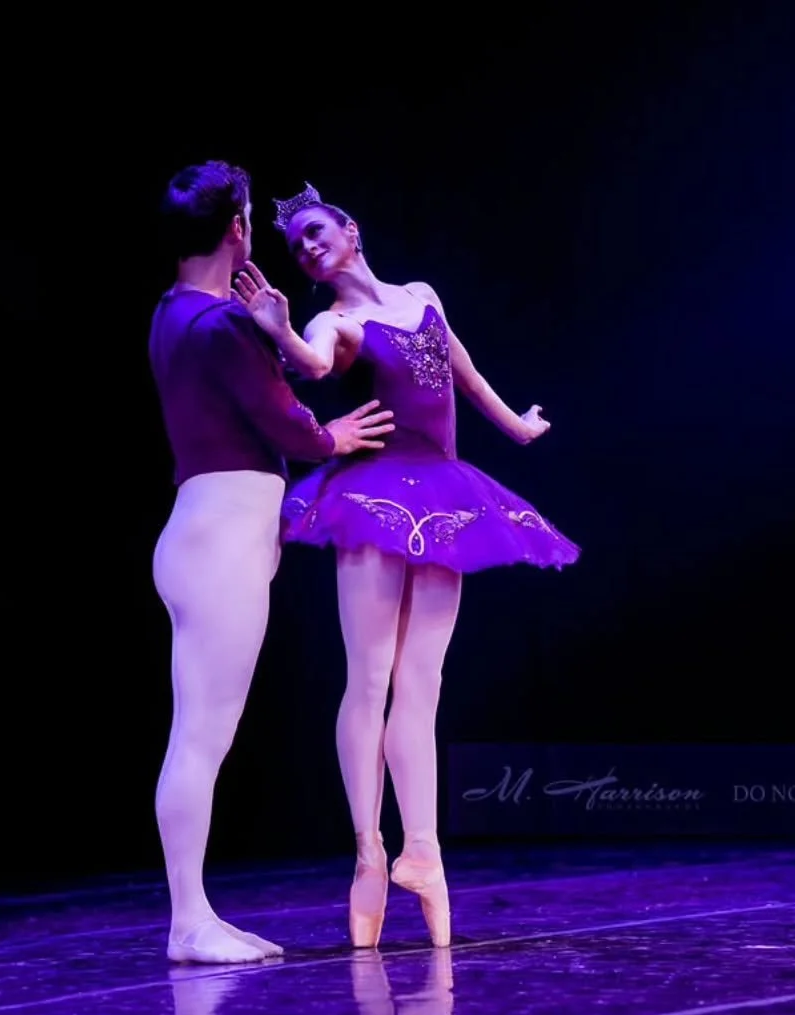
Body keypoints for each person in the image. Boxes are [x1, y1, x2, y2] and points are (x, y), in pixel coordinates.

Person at [232, 182, 580, 950]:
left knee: (424, 681)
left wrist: (516, 428)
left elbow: (460, 366)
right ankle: (367, 851)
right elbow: (315, 365)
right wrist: (281, 334)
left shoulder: (421, 294)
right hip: (376, 498)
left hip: (448, 493)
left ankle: (423, 850)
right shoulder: (335, 321)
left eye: (318, 232)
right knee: (370, 677)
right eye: (298, 246)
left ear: (351, 230)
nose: (309, 247)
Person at [148, 162, 395, 964]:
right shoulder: (215, 326)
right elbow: (285, 420)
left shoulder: (181, 311)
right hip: (218, 539)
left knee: (199, 734)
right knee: (201, 738)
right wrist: (334, 439)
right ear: (238, 229)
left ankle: (195, 916)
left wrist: (265, 327)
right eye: (250, 217)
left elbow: (253, 381)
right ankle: (189, 922)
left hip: (204, 533)